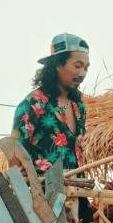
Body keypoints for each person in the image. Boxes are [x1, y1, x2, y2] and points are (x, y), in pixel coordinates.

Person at [14, 33, 90, 174]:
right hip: (42, 191)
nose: (82, 73)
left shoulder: (78, 107)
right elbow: (14, 154)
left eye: (86, 68)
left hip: (77, 190)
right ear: (57, 65)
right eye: (77, 66)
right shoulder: (33, 104)